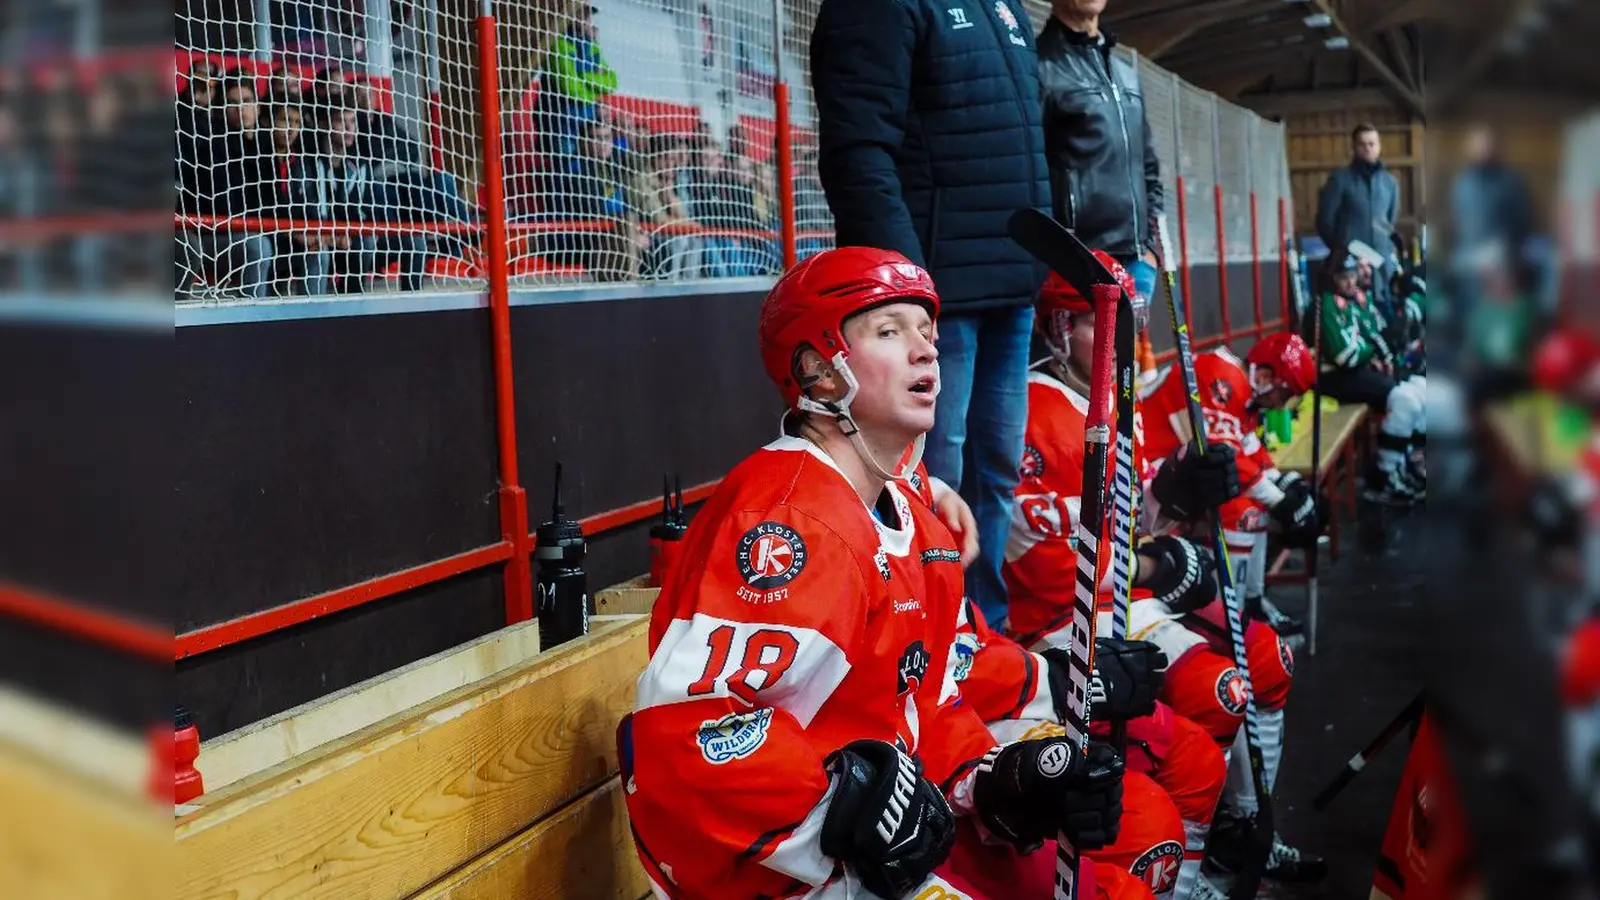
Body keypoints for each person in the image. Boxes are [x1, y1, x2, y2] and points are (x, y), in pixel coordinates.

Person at [618, 247, 1124, 900]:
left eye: (928, 332)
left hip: (864, 868)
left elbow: (928, 710)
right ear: (820, 372)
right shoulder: (790, 518)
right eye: (890, 331)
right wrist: (844, 809)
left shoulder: (914, 518)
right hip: (785, 880)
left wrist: (1000, 781)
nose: (926, 351)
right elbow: (687, 732)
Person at [809, 0, 1051, 631]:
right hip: (936, 294)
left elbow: (1030, 146)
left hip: (1011, 284)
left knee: (997, 471)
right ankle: (930, 642)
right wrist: (904, 289)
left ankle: (985, 631)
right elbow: (857, 145)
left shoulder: (1006, 9)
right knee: (928, 479)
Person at [1138, 328, 1328, 890]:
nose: (1283, 406)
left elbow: (1247, 459)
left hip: (1155, 531)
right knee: (1221, 685)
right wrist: (1283, 496)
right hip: (1133, 549)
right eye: (1285, 395)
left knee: (1267, 658)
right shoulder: (1221, 377)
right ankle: (1219, 835)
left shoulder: (1232, 386)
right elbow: (1231, 464)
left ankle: (1251, 823)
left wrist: (1292, 490)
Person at [1036, 0, 1162, 271]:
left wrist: (1152, 249)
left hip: (1138, 258)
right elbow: (1030, 170)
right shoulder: (1040, 66)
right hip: (1081, 261)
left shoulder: (1126, 75)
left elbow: (1149, 167)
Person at [1312, 252, 1428, 503]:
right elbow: (1347, 356)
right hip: (1333, 380)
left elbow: (1368, 342)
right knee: (1405, 401)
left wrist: (1373, 351)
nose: (1351, 282)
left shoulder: (1348, 301)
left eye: (1353, 275)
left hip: (1351, 373)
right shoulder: (1327, 304)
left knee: (1422, 389)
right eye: (1344, 277)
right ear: (1331, 280)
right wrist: (1371, 351)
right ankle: (1383, 476)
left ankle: (1403, 463)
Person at [1315, 123, 1400, 313]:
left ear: (1379, 146)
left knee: (1386, 328)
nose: (1368, 148)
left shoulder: (1390, 183)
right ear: (1353, 147)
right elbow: (1324, 221)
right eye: (1362, 144)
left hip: (1381, 272)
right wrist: (1343, 252)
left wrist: (1386, 253)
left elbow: (1389, 224)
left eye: (1372, 143)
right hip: (1349, 274)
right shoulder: (1339, 180)